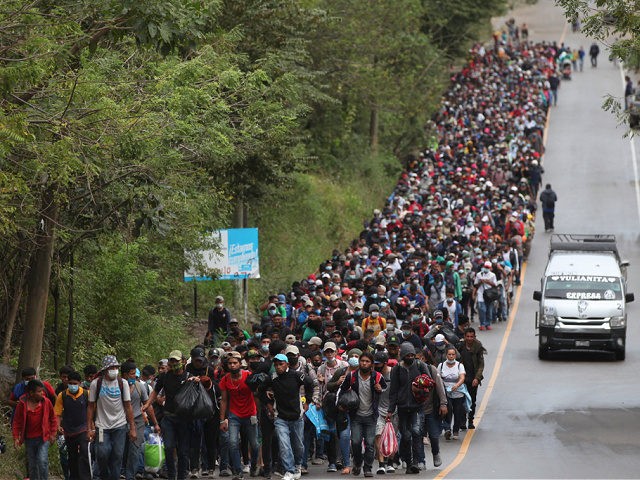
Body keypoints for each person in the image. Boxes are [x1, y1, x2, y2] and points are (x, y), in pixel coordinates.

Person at [264, 353, 315, 480]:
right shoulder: (272, 377)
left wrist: (308, 402)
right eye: (275, 365)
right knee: (284, 444)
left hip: (296, 416)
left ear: (287, 364)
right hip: (280, 417)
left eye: (281, 364)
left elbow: (310, 384)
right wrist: (269, 405)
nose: (278, 367)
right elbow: (260, 390)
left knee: (298, 445)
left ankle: (298, 465)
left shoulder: (296, 375)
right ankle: (289, 470)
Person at [337, 351, 387, 478]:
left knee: (370, 443)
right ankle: (358, 463)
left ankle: (368, 468)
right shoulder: (352, 376)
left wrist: (380, 389)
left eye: (367, 361)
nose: (364, 363)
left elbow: (385, 388)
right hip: (356, 416)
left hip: (371, 416)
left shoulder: (378, 377)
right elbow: (342, 390)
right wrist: (341, 404)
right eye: (362, 361)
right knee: (355, 442)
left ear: (371, 364)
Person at [87, 355, 136, 480]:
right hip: (102, 427)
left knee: (118, 455)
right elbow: (91, 407)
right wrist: (89, 428)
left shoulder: (122, 383)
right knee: (102, 454)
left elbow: (128, 406)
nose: (114, 369)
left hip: (119, 426)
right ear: (105, 369)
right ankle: (105, 475)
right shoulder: (95, 384)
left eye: (116, 367)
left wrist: (132, 428)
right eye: (111, 367)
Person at [145, 350, 190, 480]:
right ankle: (171, 475)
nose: (174, 363)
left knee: (182, 451)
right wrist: (148, 403)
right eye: (172, 361)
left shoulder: (189, 376)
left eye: (177, 360)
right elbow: (155, 391)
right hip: (168, 417)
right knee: (169, 447)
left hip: (184, 419)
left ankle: (182, 476)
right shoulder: (165, 376)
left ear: (183, 361)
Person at [386, 343, 429, 474]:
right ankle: (408, 462)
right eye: (407, 355)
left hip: (417, 406)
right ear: (403, 356)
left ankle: (416, 462)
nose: (410, 357)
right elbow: (393, 391)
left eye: (412, 355)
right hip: (403, 407)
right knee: (406, 435)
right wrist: (390, 410)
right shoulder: (396, 369)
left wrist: (420, 388)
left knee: (416, 432)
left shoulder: (421, 366)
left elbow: (429, 382)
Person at [219, 351, 260, 480]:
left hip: (250, 414)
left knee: (254, 444)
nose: (232, 365)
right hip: (234, 415)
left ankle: (254, 466)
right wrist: (222, 420)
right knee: (232, 443)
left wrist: (257, 414)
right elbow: (224, 400)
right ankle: (238, 472)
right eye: (230, 363)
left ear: (240, 364)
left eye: (235, 363)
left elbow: (256, 395)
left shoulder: (249, 376)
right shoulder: (225, 379)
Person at [12, 379, 58, 480]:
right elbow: (17, 421)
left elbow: (53, 418)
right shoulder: (22, 403)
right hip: (29, 439)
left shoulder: (46, 402)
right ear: (31, 393)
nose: (42, 393)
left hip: (43, 438)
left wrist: (53, 433)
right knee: (32, 465)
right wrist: (16, 437)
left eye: (42, 391)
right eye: (39, 391)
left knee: (42, 461)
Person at [121, 361, 159, 480]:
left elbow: (148, 405)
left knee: (134, 450)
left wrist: (156, 423)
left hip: (137, 422)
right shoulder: (117, 386)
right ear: (124, 375)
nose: (134, 376)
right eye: (132, 374)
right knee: (120, 451)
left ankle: (130, 476)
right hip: (120, 421)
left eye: (135, 374)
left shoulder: (140, 386)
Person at [54, 371, 91, 480]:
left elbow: (92, 410)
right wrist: (57, 426)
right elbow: (57, 413)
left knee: (84, 452)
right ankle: (74, 477)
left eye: (75, 383)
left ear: (79, 383)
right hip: (69, 431)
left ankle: (85, 477)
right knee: (72, 456)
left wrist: (92, 427)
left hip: (83, 428)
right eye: (70, 383)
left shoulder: (86, 394)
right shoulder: (63, 395)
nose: (72, 386)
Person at [456, 328, 485, 430]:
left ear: (474, 337)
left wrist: (477, 378)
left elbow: (481, 364)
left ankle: (471, 420)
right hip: (462, 379)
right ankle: (462, 421)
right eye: (467, 336)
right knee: (461, 400)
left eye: (471, 336)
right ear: (464, 337)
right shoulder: (459, 346)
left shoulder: (478, 347)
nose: (469, 338)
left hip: (473, 379)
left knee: (472, 400)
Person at [438, 346, 466, 441]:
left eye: (453, 354)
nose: (451, 356)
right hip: (446, 393)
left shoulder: (459, 366)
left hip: (458, 393)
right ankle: (447, 429)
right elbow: (438, 378)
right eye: (449, 354)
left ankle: (456, 430)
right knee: (447, 410)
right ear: (446, 355)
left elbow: (462, 377)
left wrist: (457, 385)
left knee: (457, 412)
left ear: (455, 355)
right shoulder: (441, 365)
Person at [474, 261, 498, 331]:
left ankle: (488, 323)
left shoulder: (492, 275)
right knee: (482, 310)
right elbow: (475, 285)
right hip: (481, 294)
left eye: (488, 267)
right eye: (485, 267)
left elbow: (495, 284)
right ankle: (482, 324)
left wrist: (488, 281)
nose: (486, 268)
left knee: (489, 310)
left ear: (490, 268)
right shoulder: (479, 274)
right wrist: (480, 282)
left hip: (489, 295)